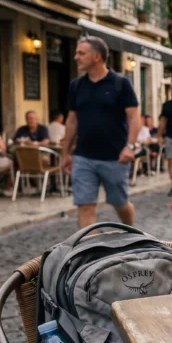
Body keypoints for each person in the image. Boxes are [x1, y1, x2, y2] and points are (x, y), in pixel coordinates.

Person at [61, 37, 141, 230]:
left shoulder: (120, 84)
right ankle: (90, 253)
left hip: (115, 157)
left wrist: (129, 147)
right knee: (85, 206)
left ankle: (132, 233)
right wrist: (65, 153)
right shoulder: (76, 86)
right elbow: (72, 121)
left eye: (81, 53)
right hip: (83, 156)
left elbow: (134, 118)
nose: (76, 57)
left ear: (97, 56)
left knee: (120, 203)